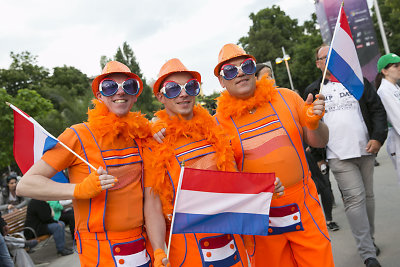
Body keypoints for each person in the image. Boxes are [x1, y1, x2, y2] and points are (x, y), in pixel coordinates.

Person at [144, 58, 284, 267]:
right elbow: (153, 204)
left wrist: (265, 189)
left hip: (231, 240)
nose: (183, 94)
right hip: (187, 248)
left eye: (190, 87)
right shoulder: (153, 142)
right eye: (173, 89)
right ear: (160, 96)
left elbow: (234, 181)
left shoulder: (215, 130)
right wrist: (157, 249)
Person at [16, 61, 153, 266]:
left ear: (135, 95)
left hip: (141, 244)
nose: (120, 92)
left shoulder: (141, 135)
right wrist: (79, 189)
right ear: (99, 95)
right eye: (109, 87)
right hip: (99, 249)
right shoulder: (77, 135)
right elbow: (26, 184)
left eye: (129, 86)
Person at [213, 43, 333, 267]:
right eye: (230, 70)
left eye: (246, 66)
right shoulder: (217, 124)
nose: (240, 73)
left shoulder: (287, 97)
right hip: (259, 215)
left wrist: (314, 124)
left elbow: (320, 141)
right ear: (221, 81)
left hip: (303, 204)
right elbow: (223, 180)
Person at [304, 44, 388, 267]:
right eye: (324, 58)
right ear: (318, 64)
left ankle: (369, 239)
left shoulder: (357, 82)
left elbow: (377, 109)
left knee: (367, 198)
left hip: (366, 150)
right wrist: (319, 155)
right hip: (338, 155)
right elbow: (309, 125)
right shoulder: (315, 90)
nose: (329, 61)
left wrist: (378, 137)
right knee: (354, 200)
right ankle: (368, 254)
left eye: (333, 57)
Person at [375, 53, 400, 184]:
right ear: (384, 71)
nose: (399, 68)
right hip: (397, 139)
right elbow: (398, 119)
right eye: (396, 66)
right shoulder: (384, 91)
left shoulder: (394, 87)